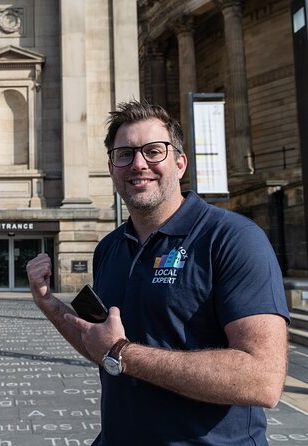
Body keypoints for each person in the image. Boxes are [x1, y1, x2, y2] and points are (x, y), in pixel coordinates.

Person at [27, 101, 290, 445]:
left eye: (154, 151)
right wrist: (49, 304)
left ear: (180, 163)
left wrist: (123, 352)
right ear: (111, 167)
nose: (138, 164)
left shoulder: (232, 239)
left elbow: (262, 379)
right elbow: (100, 344)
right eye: (125, 154)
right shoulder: (109, 248)